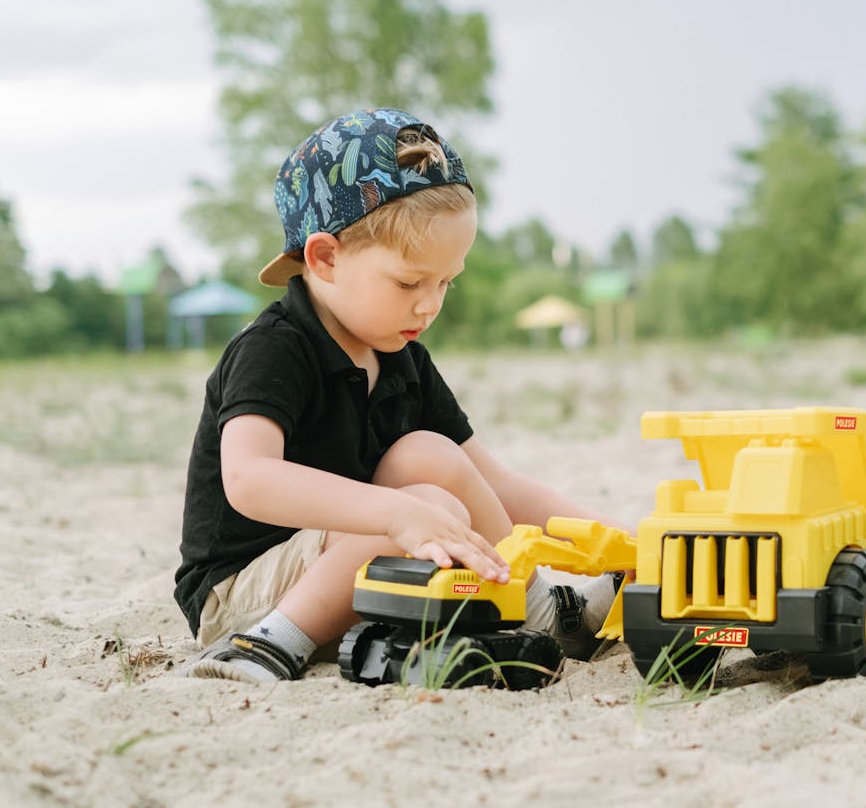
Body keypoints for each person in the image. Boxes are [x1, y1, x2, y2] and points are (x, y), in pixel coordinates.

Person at [174, 108, 620, 683]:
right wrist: (400, 513)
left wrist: (617, 544)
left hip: (361, 556)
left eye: (445, 283)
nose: (430, 304)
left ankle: (536, 602)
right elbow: (250, 479)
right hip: (244, 590)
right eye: (410, 282)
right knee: (427, 510)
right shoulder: (275, 348)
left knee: (430, 459)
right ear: (325, 258)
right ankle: (270, 645)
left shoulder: (399, 353)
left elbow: (497, 487)